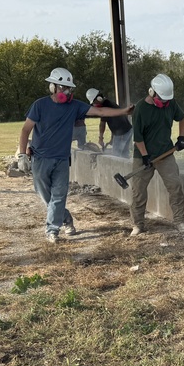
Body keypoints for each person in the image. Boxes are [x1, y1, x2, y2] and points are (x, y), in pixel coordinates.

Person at [17, 67, 133, 243]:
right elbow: (26, 130)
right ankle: (66, 218)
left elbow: (100, 112)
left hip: (62, 160)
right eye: (63, 87)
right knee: (45, 196)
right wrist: (22, 155)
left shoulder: (75, 106)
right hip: (40, 158)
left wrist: (123, 111)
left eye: (69, 88)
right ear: (53, 87)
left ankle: (52, 230)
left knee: (59, 195)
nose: (67, 91)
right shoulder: (39, 105)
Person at [129, 73, 184, 236]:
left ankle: (179, 221)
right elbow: (138, 138)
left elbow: (182, 119)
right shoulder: (141, 109)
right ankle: (138, 224)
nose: (164, 102)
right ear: (152, 92)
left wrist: (182, 138)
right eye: (161, 99)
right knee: (138, 191)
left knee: (175, 186)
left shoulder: (171, 103)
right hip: (142, 155)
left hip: (165, 154)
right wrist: (145, 156)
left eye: (166, 100)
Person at [88, 88, 134, 158]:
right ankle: (125, 168)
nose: (94, 104)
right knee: (124, 154)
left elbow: (102, 125)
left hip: (122, 132)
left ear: (99, 98)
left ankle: (118, 168)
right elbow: (114, 122)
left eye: (94, 102)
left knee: (116, 155)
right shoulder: (108, 103)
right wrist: (113, 138)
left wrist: (101, 138)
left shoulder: (105, 106)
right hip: (127, 130)